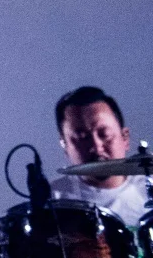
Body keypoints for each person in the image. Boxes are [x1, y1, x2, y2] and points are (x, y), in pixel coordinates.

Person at [51, 85, 151, 225]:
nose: (96, 147)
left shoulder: (147, 188)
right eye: (82, 137)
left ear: (125, 138)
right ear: (65, 146)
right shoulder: (52, 201)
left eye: (104, 134)